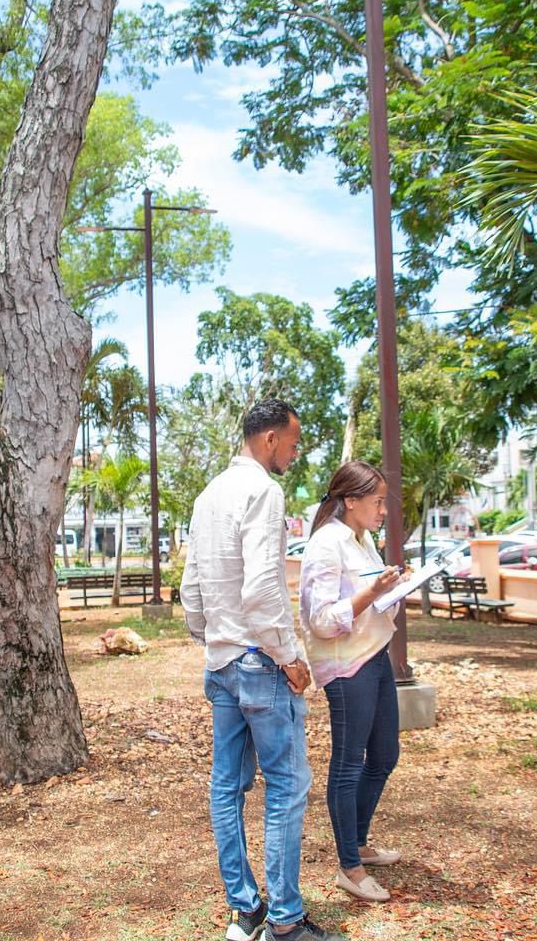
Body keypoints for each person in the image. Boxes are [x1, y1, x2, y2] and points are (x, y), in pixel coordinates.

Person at [182, 398, 343, 941]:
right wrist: (288, 656)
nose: (294, 455)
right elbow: (262, 588)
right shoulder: (263, 491)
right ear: (270, 438)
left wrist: (212, 639)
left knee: (226, 787)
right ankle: (286, 921)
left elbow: (191, 590)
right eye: (292, 444)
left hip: (222, 663)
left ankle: (245, 908)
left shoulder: (207, 495)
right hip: (260, 662)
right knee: (286, 786)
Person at [298, 461, 405, 903]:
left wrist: (394, 588)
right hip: (347, 667)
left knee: (384, 755)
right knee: (348, 764)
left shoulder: (363, 541)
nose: (383, 511)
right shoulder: (326, 544)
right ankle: (349, 867)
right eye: (377, 502)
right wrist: (372, 592)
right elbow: (321, 621)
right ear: (351, 500)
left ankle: (358, 843)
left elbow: (375, 605)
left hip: (375, 655)